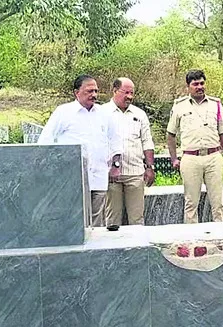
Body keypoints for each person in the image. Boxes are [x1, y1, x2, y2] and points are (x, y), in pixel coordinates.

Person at [37, 74, 122, 227]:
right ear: (77, 92)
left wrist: (116, 166)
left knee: (96, 222)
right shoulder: (63, 112)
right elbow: (45, 141)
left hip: (98, 176)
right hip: (72, 179)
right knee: (75, 222)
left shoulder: (104, 114)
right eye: (89, 91)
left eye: (96, 91)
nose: (94, 95)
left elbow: (115, 141)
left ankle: (95, 250)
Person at [166, 69, 223, 224]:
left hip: (213, 157)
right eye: (195, 84)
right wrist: (174, 158)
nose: (199, 87)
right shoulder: (179, 106)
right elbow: (170, 135)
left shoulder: (216, 105)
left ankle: (221, 239)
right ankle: (192, 242)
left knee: (218, 203)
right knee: (191, 204)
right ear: (188, 86)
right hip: (190, 158)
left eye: (202, 83)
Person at [102, 77, 155, 226]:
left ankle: (138, 248)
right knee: (112, 220)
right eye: (126, 92)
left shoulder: (139, 114)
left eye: (132, 93)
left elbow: (147, 142)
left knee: (137, 219)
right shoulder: (102, 113)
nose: (130, 97)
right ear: (114, 91)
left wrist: (150, 168)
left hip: (135, 173)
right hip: (111, 175)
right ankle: (112, 249)